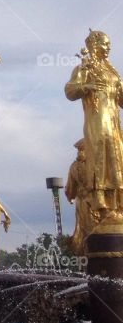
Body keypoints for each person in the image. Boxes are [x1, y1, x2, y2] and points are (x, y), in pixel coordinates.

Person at [64, 29, 123, 224]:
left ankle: (117, 201)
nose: (108, 48)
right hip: (97, 121)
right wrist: (86, 87)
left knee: (117, 158)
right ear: (94, 45)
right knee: (100, 156)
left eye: (109, 45)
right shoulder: (85, 68)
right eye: (105, 44)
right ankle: (100, 201)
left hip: (114, 122)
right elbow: (70, 90)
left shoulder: (112, 71)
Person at [65, 138, 97, 257]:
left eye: (81, 150)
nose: (80, 153)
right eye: (80, 151)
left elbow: (70, 189)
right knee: (91, 229)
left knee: (84, 230)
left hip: (82, 202)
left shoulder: (74, 166)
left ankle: (86, 255)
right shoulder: (95, 165)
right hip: (94, 202)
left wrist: (70, 197)